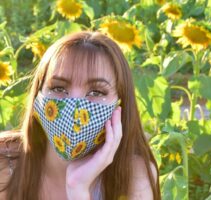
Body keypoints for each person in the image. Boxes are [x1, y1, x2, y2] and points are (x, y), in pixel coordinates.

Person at [0, 31, 161, 200]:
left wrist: (78, 188)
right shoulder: (5, 164)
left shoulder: (133, 176)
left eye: (96, 92)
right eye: (58, 88)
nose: (74, 107)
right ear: (38, 96)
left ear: (120, 104)